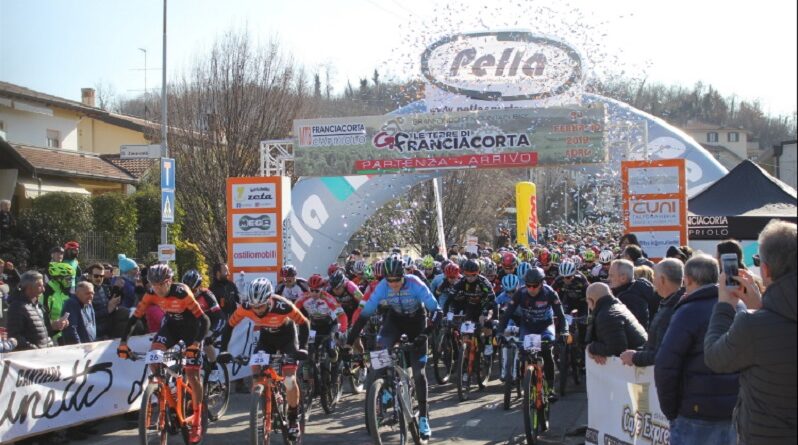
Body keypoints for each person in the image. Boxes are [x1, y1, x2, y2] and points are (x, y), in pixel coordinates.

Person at [704, 220, 797, 444]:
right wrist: (761, 306)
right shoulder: (760, 320)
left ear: (765, 269)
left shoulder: (752, 325)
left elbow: (715, 358)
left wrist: (725, 305)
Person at [346, 255, 441, 441]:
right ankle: (386, 387)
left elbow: (436, 310)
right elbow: (364, 316)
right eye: (389, 280)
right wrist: (349, 343)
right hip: (395, 320)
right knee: (381, 351)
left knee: (419, 371)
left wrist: (426, 334)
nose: (393, 284)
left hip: (417, 322)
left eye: (397, 280)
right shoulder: (382, 287)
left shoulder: (415, 283)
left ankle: (423, 417)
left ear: (403, 275)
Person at [117, 264, 210, 444]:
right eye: (154, 284)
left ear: (169, 282)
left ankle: (197, 418)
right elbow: (134, 318)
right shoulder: (150, 293)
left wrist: (197, 343)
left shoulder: (182, 292)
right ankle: (165, 390)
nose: (157, 289)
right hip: (171, 329)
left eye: (161, 284)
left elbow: (204, 320)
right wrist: (123, 343)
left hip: (193, 331)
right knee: (154, 356)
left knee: (191, 373)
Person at [655, 254, 741, 444]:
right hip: (734, 411)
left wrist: (672, 411)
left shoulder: (688, 311)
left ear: (688, 280)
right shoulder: (739, 306)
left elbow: (666, 365)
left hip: (696, 414)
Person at [217, 278, 310, 441]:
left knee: (289, 380)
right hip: (266, 339)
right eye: (254, 306)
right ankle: (265, 399)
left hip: (287, 338)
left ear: (269, 299)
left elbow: (304, 322)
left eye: (260, 306)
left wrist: (303, 347)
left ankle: (293, 419)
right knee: (256, 368)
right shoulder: (247, 307)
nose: (257, 310)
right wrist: (224, 349)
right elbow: (230, 325)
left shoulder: (283, 305)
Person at [498, 267, 568, 400]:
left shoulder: (549, 292)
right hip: (528, 326)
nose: (531, 289)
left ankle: (551, 388)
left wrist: (564, 332)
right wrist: (500, 332)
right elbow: (507, 314)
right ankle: (524, 378)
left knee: (547, 353)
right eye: (528, 285)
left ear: (541, 283)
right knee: (523, 353)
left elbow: (561, 315)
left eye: (535, 286)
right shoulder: (521, 292)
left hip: (545, 326)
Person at [620, 259, 685, 367]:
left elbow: (663, 353)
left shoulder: (672, 309)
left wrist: (635, 357)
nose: (652, 281)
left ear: (663, 279)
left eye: (654, 277)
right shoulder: (669, 304)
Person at [584, 283, 647, 363]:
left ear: (591, 300)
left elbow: (616, 349)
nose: (589, 307)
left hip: (636, 366)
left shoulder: (606, 315)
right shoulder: (617, 307)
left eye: (588, 303)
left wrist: (591, 348)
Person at [7, 270, 68, 350]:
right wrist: (35, 350)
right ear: (29, 287)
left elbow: (43, 333)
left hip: (44, 354)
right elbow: (15, 337)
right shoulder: (17, 307)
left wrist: (55, 327)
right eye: (40, 286)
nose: (43, 290)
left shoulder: (38, 306)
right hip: (31, 358)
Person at [608, 259, 654, 328]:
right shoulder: (631, 292)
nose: (608, 278)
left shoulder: (629, 298)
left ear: (623, 278)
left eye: (611, 275)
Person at [42, 262, 74, 344]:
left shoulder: (65, 291)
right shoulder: (47, 294)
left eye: (71, 279)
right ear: (58, 278)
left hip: (67, 335)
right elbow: (42, 320)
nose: (71, 281)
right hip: (53, 338)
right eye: (68, 279)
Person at [86, 263, 118, 339]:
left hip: (108, 329)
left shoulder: (105, 288)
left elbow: (109, 308)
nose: (99, 278)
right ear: (90, 276)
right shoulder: (85, 291)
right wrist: (107, 310)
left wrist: (114, 306)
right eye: (96, 276)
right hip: (95, 333)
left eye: (102, 276)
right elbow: (87, 317)